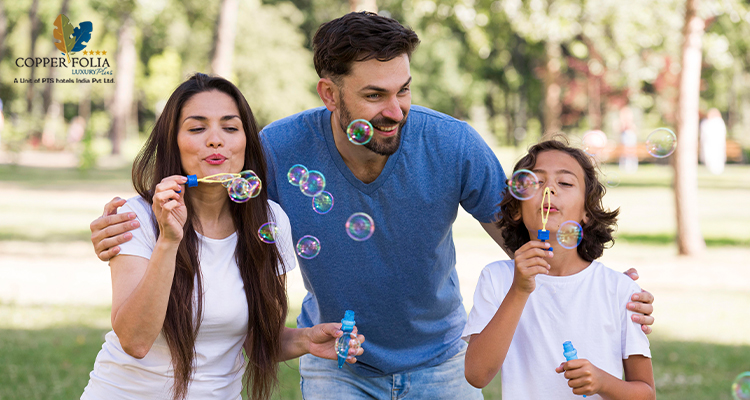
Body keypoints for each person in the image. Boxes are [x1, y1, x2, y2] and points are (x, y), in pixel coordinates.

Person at [89, 13, 655, 399]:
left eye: (404, 89)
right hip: (336, 359)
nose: (396, 110)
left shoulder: (451, 144)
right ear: (330, 94)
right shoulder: (279, 150)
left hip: (441, 358)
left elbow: (529, 232)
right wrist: (124, 227)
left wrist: (604, 284)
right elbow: (210, 195)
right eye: (375, 96)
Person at [81, 73, 364, 400]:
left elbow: (258, 339)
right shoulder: (138, 217)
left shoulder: (270, 222)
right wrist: (169, 241)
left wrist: (307, 340)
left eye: (230, 128)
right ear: (174, 141)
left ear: (246, 141)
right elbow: (135, 340)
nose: (216, 139)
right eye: (197, 128)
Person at [463, 137, 654, 399]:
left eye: (564, 182)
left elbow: (646, 393)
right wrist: (519, 289)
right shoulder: (497, 279)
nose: (549, 189)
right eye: (537, 182)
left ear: (587, 211)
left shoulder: (619, 290)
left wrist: (602, 382)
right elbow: (476, 374)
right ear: (517, 209)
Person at [700, 108, 727, 175]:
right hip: (710, 144)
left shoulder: (717, 122)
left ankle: (717, 170)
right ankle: (712, 169)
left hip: (715, 144)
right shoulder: (707, 122)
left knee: (716, 155)